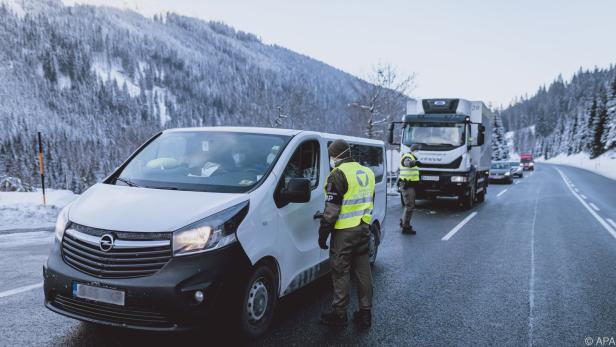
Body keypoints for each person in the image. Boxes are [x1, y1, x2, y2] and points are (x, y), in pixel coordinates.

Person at [318, 139, 375, 328]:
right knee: (363, 271)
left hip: (344, 232)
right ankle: (365, 313)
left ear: (338, 155)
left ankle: (339, 314)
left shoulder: (338, 174)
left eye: (331, 155)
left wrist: (323, 233)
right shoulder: (367, 172)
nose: (331, 159)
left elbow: (332, 211)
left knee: (340, 271)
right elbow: (368, 201)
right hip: (363, 228)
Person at [398, 144, 421, 234]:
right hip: (407, 185)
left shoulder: (413, 157)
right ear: (414, 150)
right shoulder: (408, 156)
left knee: (409, 206)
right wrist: (414, 163)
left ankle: (404, 222)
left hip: (409, 185)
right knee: (410, 206)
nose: (419, 152)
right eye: (418, 150)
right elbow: (407, 163)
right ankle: (406, 227)